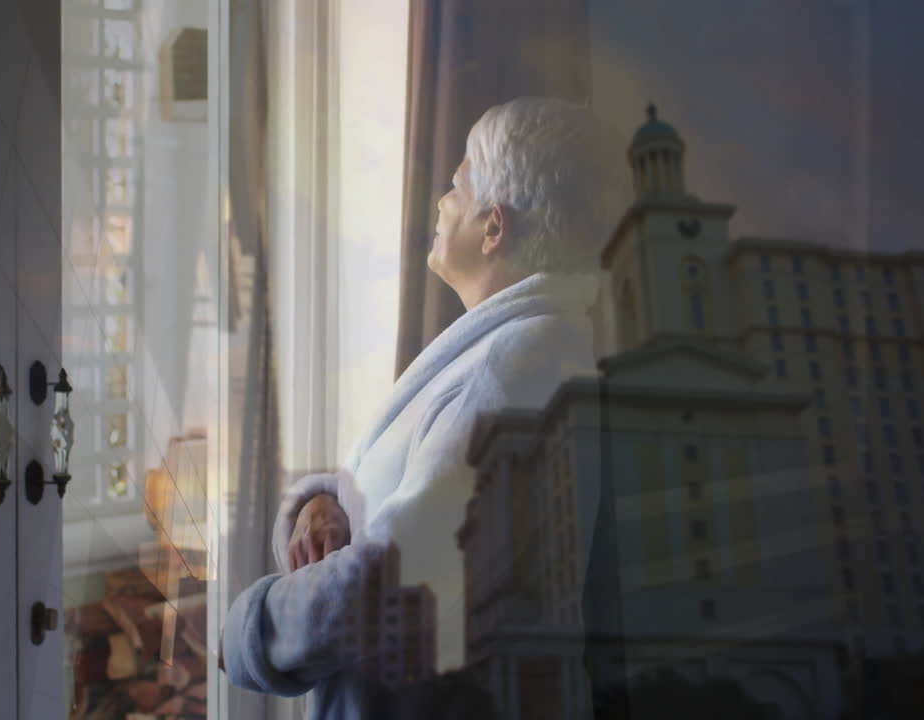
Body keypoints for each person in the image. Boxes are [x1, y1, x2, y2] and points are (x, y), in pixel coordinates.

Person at [223, 96, 624, 718]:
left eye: (458, 187)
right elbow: (406, 499)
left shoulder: (520, 362)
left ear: (494, 228)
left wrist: (249, 633)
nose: (441, 201)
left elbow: (395, 578)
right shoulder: (504, 350)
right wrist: (324, 504)